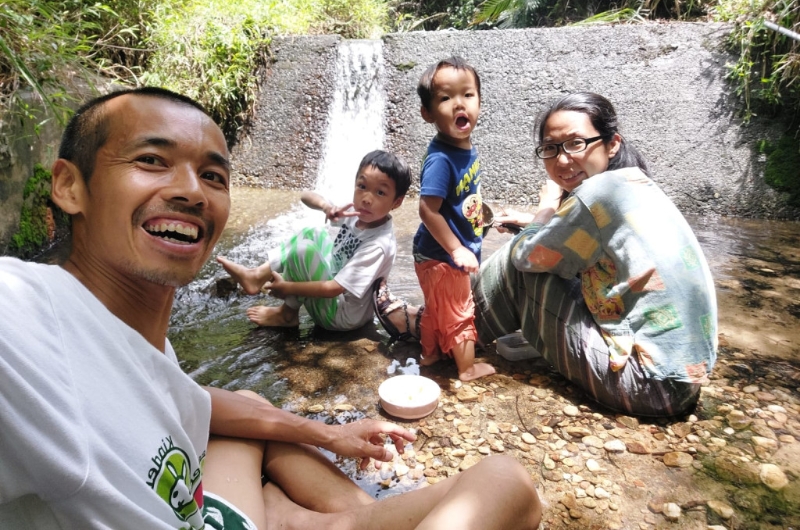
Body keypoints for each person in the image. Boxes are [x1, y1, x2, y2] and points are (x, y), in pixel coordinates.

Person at [0, 87, 543, 529]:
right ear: (69, 186)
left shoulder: (139, 350)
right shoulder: (25, 313)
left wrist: (330, 435)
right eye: (151, 160)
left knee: (243, 401)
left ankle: (299, 516)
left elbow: (190, 398)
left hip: (218, 501)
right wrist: (327, 212)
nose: (191, 191)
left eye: (212, 176)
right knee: (506, 484)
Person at [474, 92, 718, 417]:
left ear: (611, 143)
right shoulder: (632, 182)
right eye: (550, 148)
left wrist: (545, 208)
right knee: (536, 253)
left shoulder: (596, 193)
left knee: (517, 266)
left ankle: (441, 331)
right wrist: (532, 223)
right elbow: (580, 247)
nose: (562, 160)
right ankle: (453, 323)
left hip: (647, 387)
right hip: (683, 383)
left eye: (576, 143)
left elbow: (524, 259)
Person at [217, 150, 411, 332]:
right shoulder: (356, 214)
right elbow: (305, 196)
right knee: (313, 232)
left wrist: (288, 287)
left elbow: (333, 289)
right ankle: (258, 274)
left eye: (380, 193)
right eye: (362, 186)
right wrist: (326, 207)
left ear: (397, 202)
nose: (367, 198)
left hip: (344, 316)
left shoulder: (379, 244)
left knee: (304, 251)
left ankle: (287, 314)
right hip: (336, 297)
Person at [411, 56, 496, 382]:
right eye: (446, 98)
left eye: (467, 94)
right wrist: (457, 249)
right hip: (443, 254)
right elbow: (427, 210)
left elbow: (459, 198)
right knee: (461, 310)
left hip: (434, 252)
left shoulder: (463, 147)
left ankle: (430, 355)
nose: (459, 103)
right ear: (427, 113)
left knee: (435, 306)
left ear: (479, 101)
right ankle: (466, 368)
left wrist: (483, 218)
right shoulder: (442, 159)